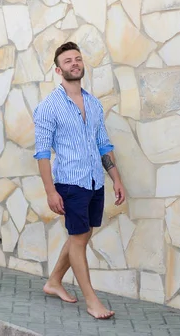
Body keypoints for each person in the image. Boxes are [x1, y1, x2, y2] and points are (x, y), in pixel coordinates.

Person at [32, 42, 126, 320]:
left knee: (82, 235)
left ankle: (53, 282)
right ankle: (91, 300)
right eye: (68, 61)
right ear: (59, 69)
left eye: (78, 59)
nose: (75, 63)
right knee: (77, 237)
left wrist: (116, 180)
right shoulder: (48, 107)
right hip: (70, 183)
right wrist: (50, 192)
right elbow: (42, 153)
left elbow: (103, 145)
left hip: (95, 181)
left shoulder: (94, 104)